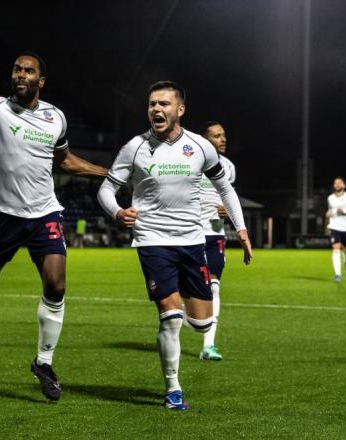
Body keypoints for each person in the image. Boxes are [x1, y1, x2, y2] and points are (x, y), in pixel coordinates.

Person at [0, 43, 108, 401]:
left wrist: (107, 174)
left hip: (44, 212)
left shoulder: (55, 118)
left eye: (29, 71)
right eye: (17, 69)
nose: (21, 75)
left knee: (57, 284)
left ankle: (43, 363)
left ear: (40, 80)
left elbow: (63, 161)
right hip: (3, 215)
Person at [97, 81, 252, 411]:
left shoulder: (199, 147)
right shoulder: (134, 147)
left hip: (193, 241)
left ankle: (181, 296)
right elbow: (106, 189)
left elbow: (226, 191)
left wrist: (241, 229)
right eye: (152, 103)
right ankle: (173, 389)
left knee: (201, 323)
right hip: (152, 241)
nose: (156, 109)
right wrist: (117, 212)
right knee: (170, 316)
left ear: (180, 109)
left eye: (164, 104)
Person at [195, 121, 237, 361]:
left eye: (224, 135)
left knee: (214, 286)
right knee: (187, 291)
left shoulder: (229, 167)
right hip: (188, 232)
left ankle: (208, 345)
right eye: (217, 136)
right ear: (205, 139)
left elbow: (229, 197)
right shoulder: (189, 161)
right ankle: (186, 319)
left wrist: (228, 211)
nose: (223, 139)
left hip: (214, 233)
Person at [326, 177, 346, 282]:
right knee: (336, 249)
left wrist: (343, 211)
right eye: (335, 183)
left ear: (344, 186)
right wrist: (328, 213)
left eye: (339, 183)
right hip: (334, 227)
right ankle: (338, 275)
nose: (337, 184)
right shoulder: (330, 198)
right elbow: (330, 210)